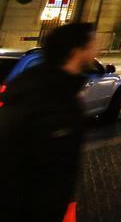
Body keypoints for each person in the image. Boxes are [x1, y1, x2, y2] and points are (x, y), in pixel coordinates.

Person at [0, 22, 97, 220]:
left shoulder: (62, 89)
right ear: (77, 51)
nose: (97, 50)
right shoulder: (46, 95)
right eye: (93, 44)